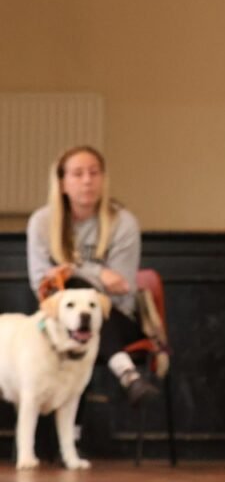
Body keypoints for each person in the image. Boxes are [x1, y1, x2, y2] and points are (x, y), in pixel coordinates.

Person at [26, 146, 160, 406]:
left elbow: (122, 287)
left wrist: (69, 271)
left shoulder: (123, 222)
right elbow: (41, 283)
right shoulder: (42, 222)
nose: (87, 180)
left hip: (116, 318)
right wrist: (97, 272)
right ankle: (127, 374)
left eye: (94, 173)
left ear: (103, 179)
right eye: (77, 174)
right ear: (62, 183)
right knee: (75, 297)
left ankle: (72, 439)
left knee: (85, 303)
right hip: (56, 319)